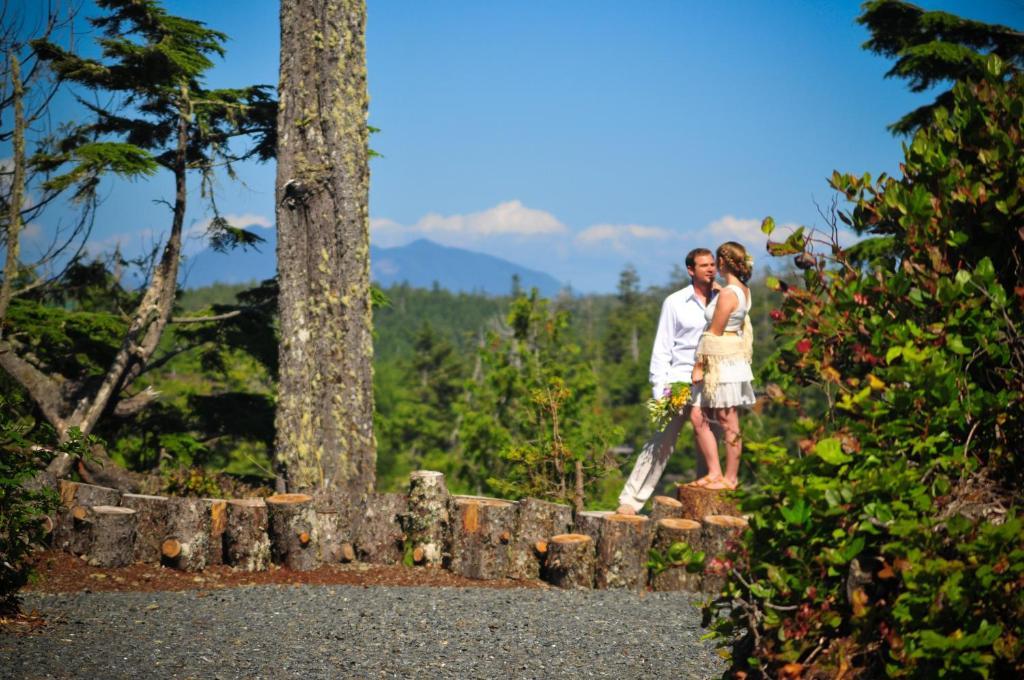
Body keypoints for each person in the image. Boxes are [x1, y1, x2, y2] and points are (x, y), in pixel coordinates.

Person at [615, 247, 721, 515]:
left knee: (709, 442)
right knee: (662, 442)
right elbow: (662, 349)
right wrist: (660, 389)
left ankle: (707, 501)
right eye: (704, 265)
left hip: (714, 381)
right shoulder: (675, 302)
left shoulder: (724, 299)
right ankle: (630, 501)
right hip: (679, 380)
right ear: (690, 270)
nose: (710, 269)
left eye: (713, 264)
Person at [687, 241, 755, 490]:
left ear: (724, 262)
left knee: (728, 420)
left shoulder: (728, 294)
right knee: (699, 414)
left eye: (717, 262)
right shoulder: (740, 290)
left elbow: (713, 335)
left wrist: (698, 366)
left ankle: (730, 478)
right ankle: (715, 471)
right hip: (727, 359)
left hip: (722, 362)